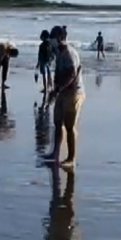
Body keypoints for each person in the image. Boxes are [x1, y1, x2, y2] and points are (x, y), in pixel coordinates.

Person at [45, 26, 85, 169]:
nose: (52, 41)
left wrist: (58, 89)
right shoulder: (58, 53)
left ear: (61, 38)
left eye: (53, 38)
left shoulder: (69, 53)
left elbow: (72, 75)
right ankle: (55, 154)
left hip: (74, 92)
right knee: (57, 122)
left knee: (69, 126)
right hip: (62, 91)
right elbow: (58, 74)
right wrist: (54, 89)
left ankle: (71, 158)